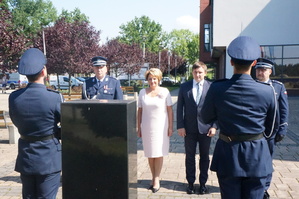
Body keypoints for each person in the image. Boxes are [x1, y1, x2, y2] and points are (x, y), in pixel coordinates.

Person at [201, 36, 276, 199]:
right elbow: (271, 128)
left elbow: (205, 117)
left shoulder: (217, 88)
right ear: (254, 63)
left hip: (228, 153)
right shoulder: (267, 91)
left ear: (231, 62)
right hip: (257, 155)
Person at [9, 48, 63, 199]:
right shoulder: (54, 97)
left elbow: (16, 121)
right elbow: (67, 126)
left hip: (26, 157)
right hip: (49, 158)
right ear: (44, 71)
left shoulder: (14, 97)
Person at [176, 61, 217, 195]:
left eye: (200, 72)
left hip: (206, 129)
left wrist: (214, 126)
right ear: (192, 73)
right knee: (189, 157)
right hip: (189, 129)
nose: (198, 74)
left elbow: (217, 109)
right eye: (195, 72)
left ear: (205, 73)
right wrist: (180, 126)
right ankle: (190, 183)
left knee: (205, 157)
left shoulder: (212, 87)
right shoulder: (184, 87)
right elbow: (179, 108)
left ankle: (203, 184)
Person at [255, 58, 289, 199]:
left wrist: (282, 129)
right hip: (254, 132)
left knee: (267, 161)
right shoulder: (251, 85)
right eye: (258, 69)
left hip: (270, 132)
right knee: (254, 160)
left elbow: (284, 109)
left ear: (270, 71)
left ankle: (264, 188)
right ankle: (254, 184)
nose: (260, 72)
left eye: (263, 70)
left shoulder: (278, 87)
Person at [137, 68, 173, 193]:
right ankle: (153, 177)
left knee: (158, 153)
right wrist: (138, 126)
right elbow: (139, 111)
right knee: (150, 154)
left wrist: (170, 127)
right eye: (150, 78)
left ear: (159, 79)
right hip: (147, 126)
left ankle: (156, 179)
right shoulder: (142, 92)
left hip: (161, 127)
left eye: (155, 79)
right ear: (147, 80)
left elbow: (169, 110)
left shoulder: (165, 92)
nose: (152, 81)